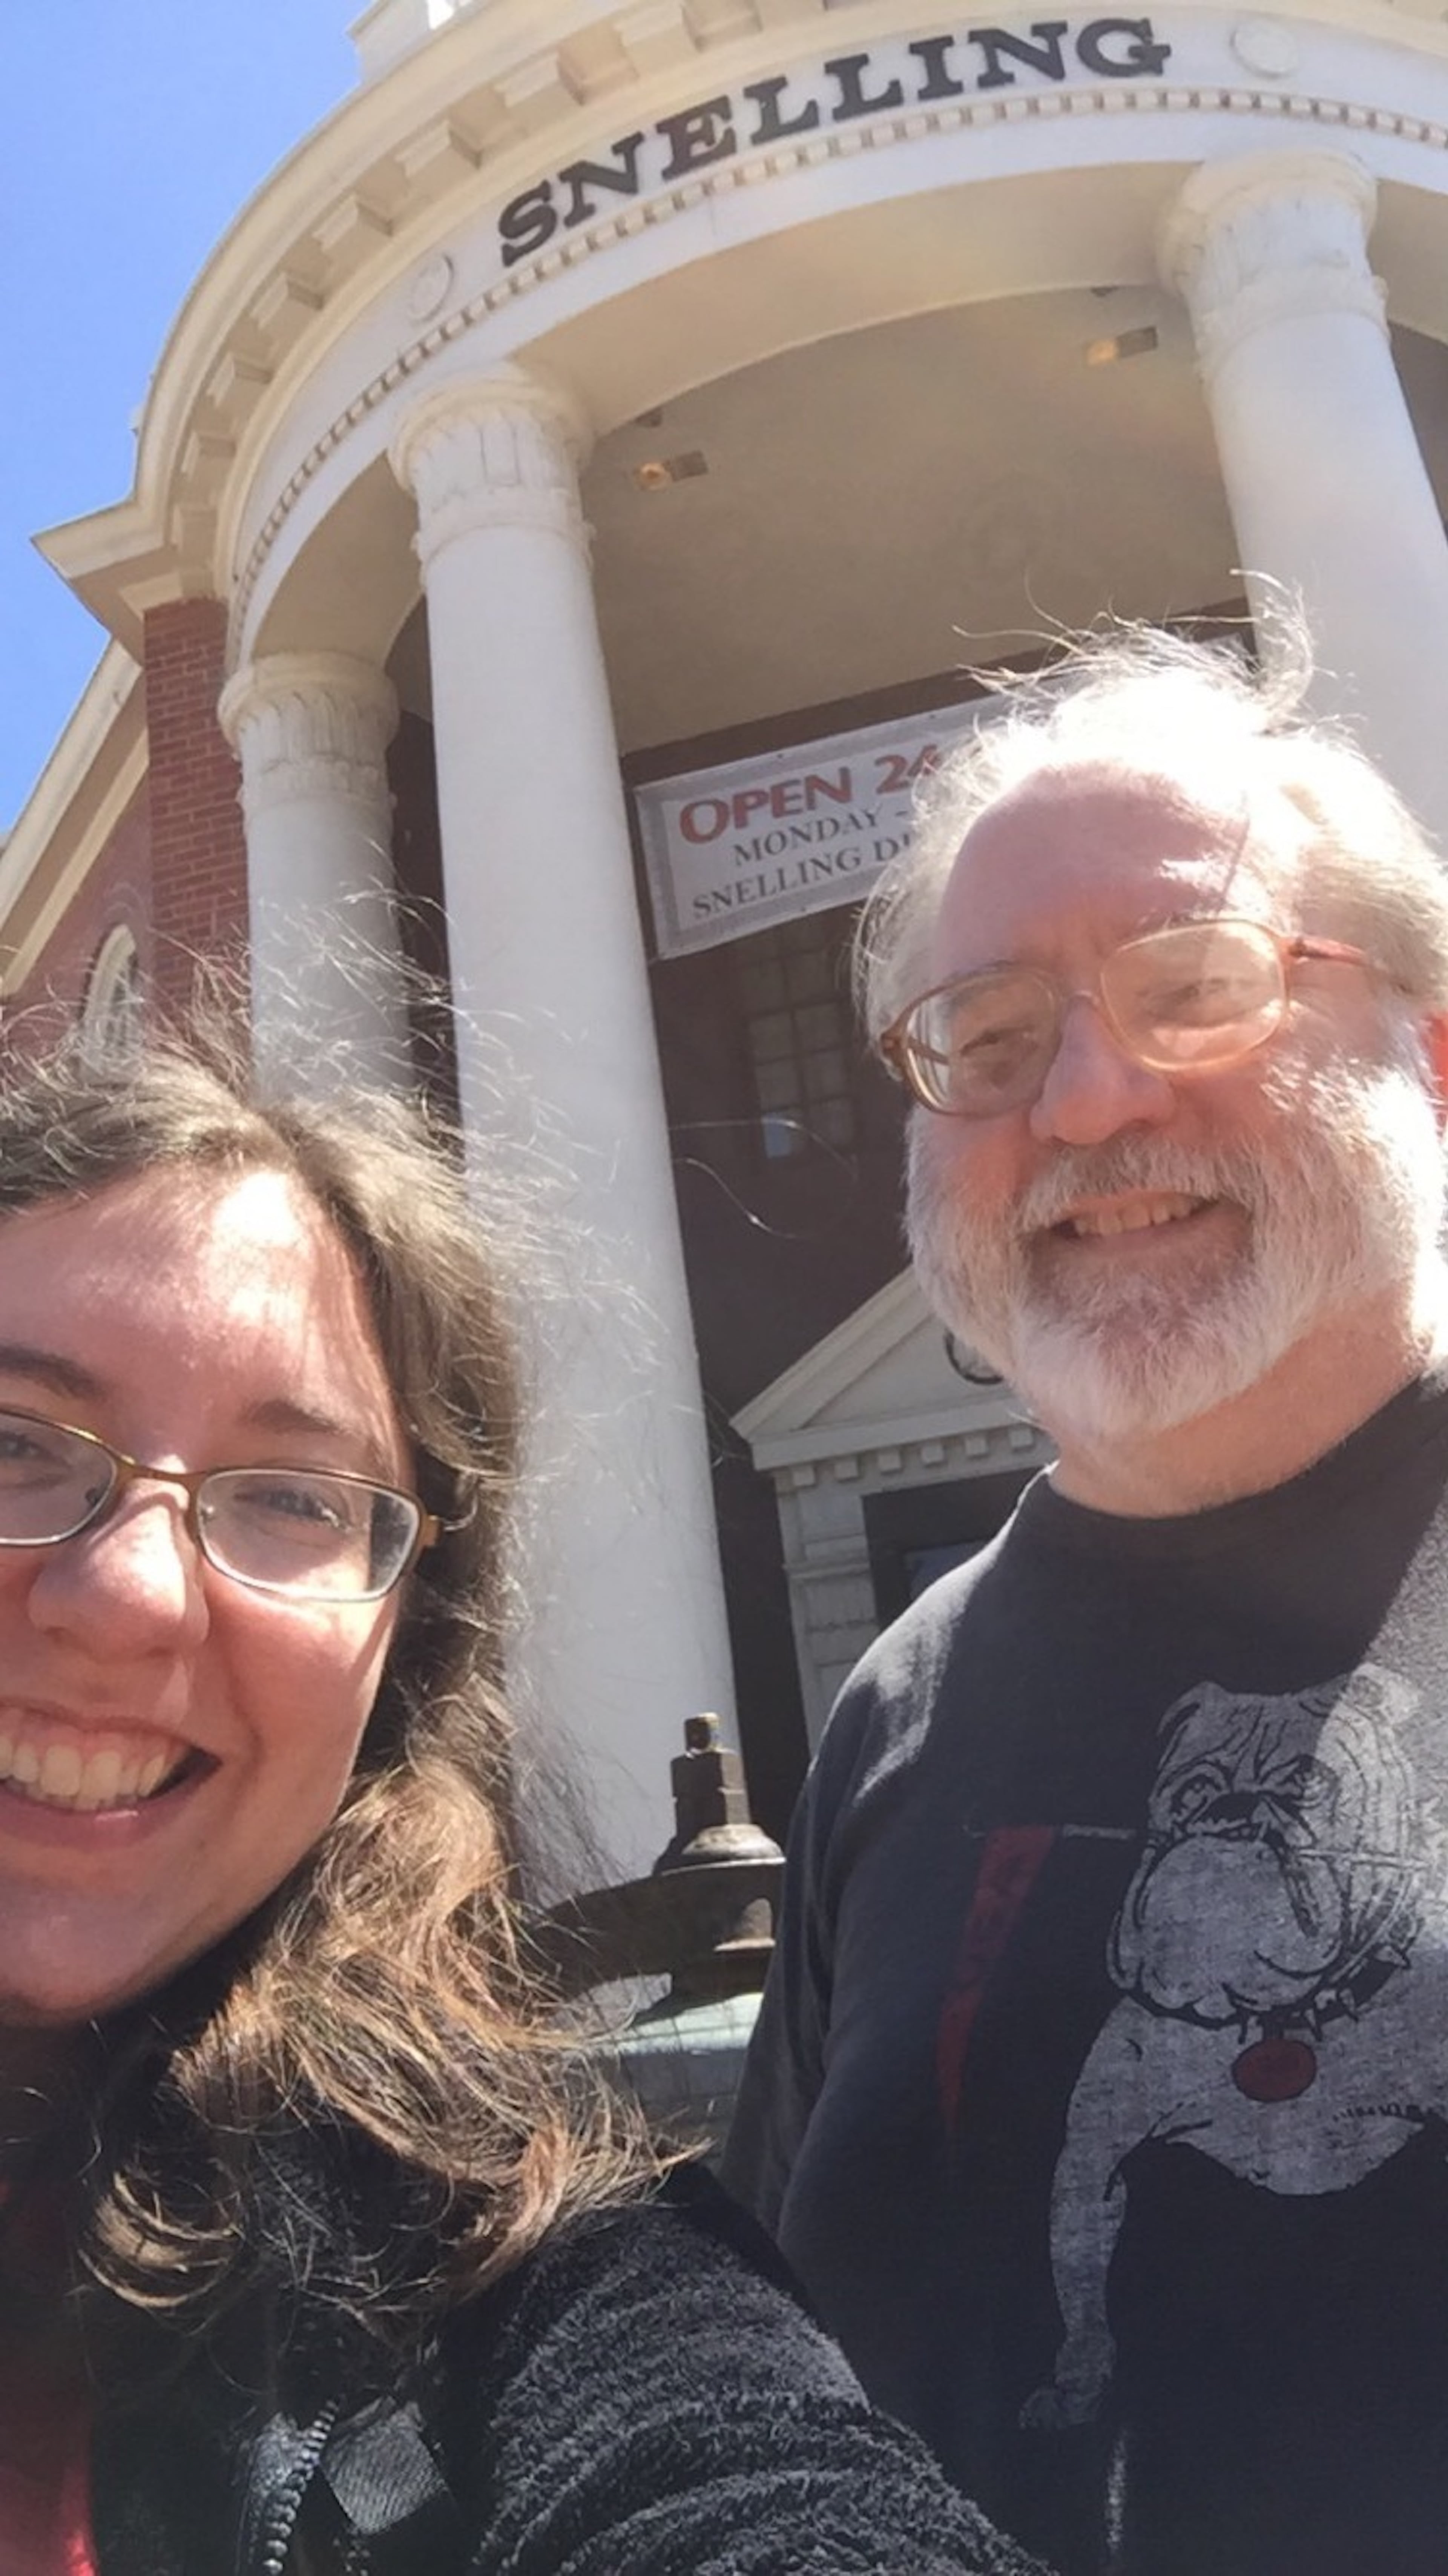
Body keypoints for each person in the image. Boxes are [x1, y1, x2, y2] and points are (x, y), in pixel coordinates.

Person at [0, 1027, 1046, 2576]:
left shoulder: (520, 2272)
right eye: (16, 1441)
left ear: (402, 1652)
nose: (137, 1595)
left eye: (294, 1494)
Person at [722, 624, 1448, 2576]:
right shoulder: (896, 1708)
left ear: (1430, 1053)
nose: (1092, 1100)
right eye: (989, 1036)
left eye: (1194, 988)